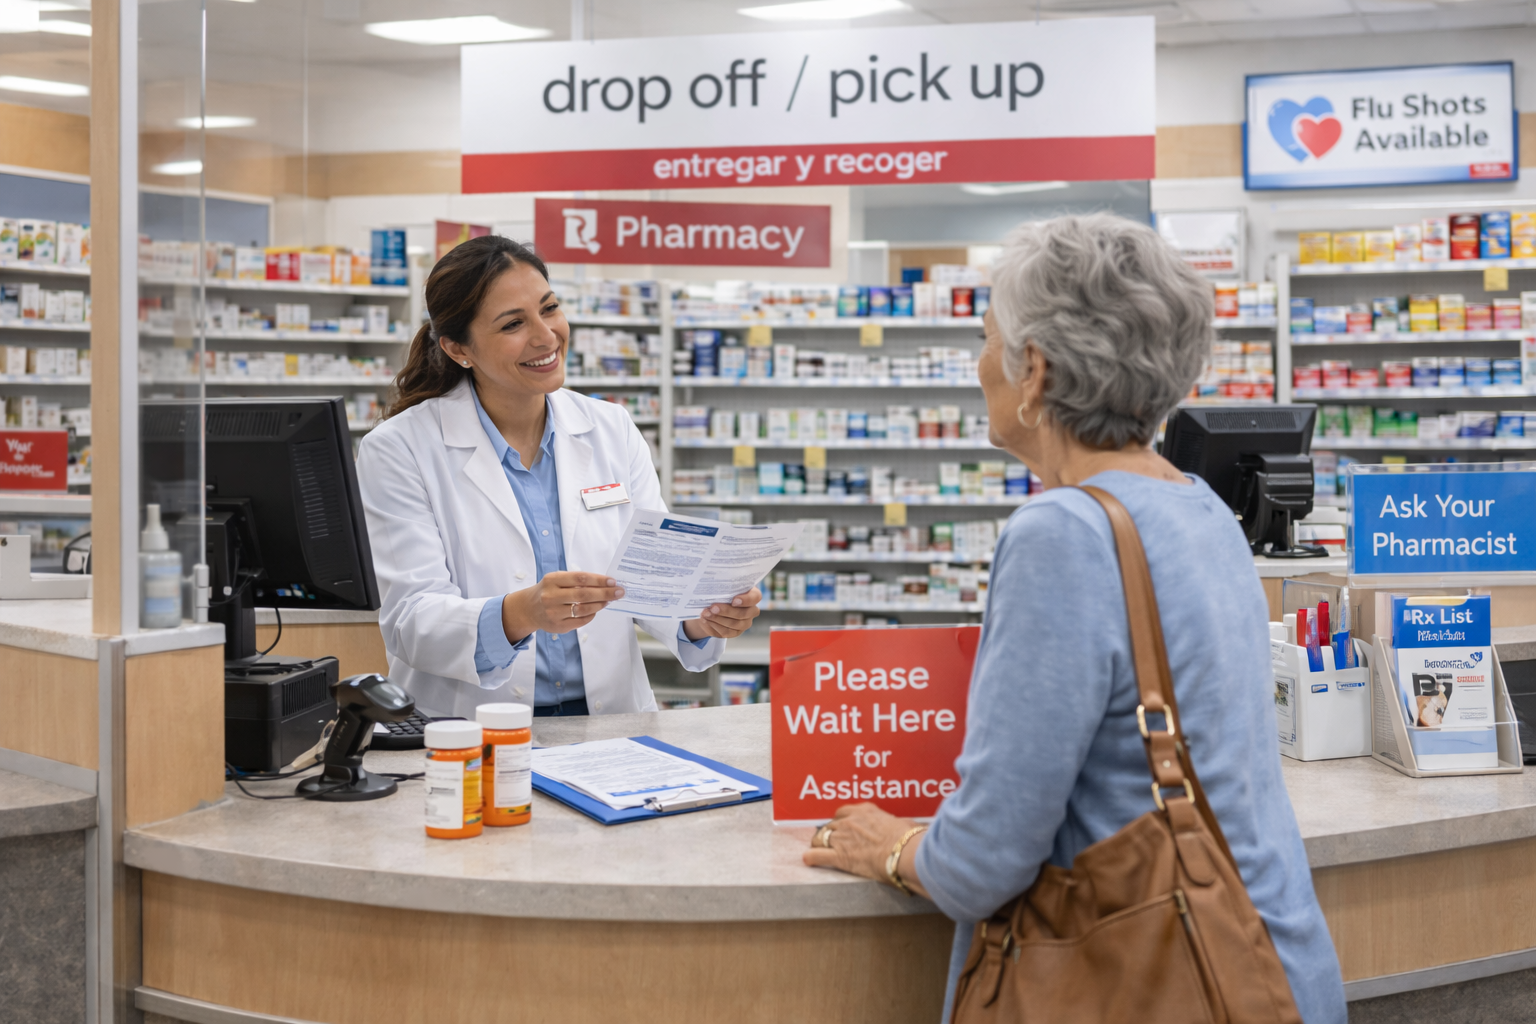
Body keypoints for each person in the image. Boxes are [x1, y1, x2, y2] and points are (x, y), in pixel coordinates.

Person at [803, 214, 1347, 1023]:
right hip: (1266, 962)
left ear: (1033, 370)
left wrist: (888, 844)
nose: (977, 363)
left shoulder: (1064, 533)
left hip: (1158, 980)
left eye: (987, 339)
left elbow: (982, 865)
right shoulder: (1197, 504)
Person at [356, 236, 760, 718]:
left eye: (549, 308)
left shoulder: (610, 428)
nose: (546, 336)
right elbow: (410, 621)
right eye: (513, 323)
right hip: (472, 730)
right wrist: (521, 612)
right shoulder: (400, 448)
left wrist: (704, 618)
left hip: (610, 725)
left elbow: (655, 579)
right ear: (458, 348)